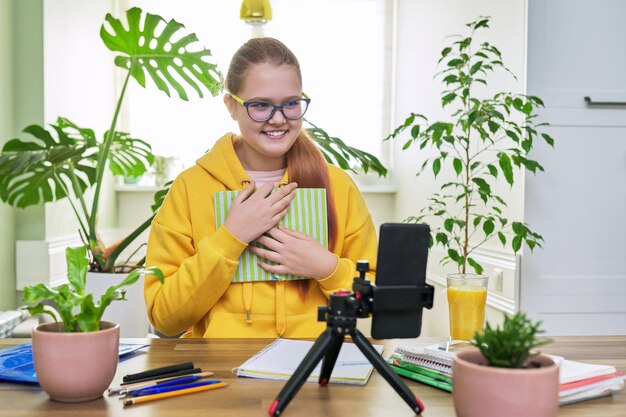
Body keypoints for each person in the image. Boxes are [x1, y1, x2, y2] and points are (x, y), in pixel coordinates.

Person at [144, 37, 377, 338]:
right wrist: (231, 239)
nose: (278, 119)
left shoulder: (338, 186)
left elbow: (375, 300)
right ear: (231, 105)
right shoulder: (191, 188)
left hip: (318, 367)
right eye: (261, 106)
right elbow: (165, 317)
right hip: (224, 374)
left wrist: (327, 268)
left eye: (291, 104)